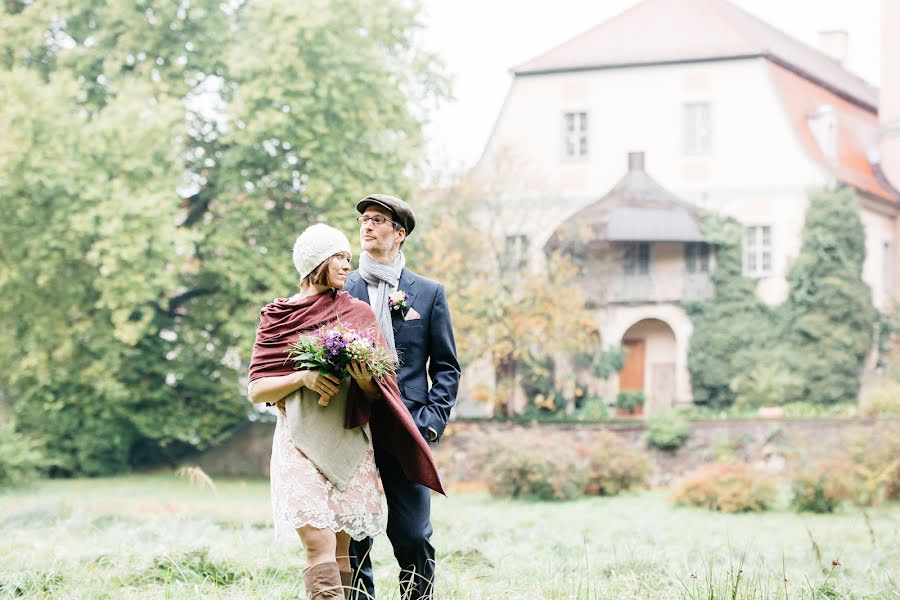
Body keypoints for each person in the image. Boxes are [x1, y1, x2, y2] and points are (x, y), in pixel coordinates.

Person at [247, 223, 444, 600]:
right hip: (299, 444)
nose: (346, 265)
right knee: (317, 545)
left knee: (341, 552)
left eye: (347, 257)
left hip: (348, 443)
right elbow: (257, 389)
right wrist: (303, 378)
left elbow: (379, 391)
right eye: (338, 256)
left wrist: (365, 379)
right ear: (314, 261)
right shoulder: (277, 315)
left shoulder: (358, 314)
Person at [345, 195, 461, 600]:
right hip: (351, 425)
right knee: (354, 528)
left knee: (412, 532)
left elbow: (446, 367)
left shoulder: (428, 294)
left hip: (407, 424)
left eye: (378, 220)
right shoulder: (340, 289)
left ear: (400, 233)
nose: (367, 226)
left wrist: (430, 421)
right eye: (363, 220)